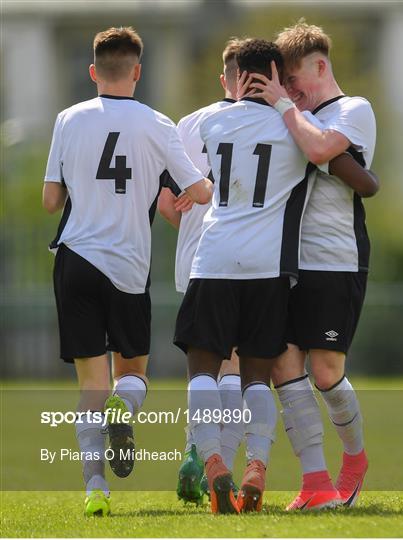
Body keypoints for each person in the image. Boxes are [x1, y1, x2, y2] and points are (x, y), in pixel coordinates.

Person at [173, 38, 368, 514]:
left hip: (214, 260)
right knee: (260, 375)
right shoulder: (296, 130)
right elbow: (349, 171)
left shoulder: (211, 123)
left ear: (237, 78)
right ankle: (257, 466)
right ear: (278, 77)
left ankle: (215, 459)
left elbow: (196, 181)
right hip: (268, 269)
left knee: (203, 369)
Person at [42, 26, 212, 517]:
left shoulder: (68, 119)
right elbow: (199, 192)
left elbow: (52, 200)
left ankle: (95, 488)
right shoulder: (158, 124)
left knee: (89, 385)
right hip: (129, 267)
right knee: (132, 373)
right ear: (138, 71)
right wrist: (189, 189)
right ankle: (125, 409)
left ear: (93, 71)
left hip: (75, 260)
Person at [244, 20, 378, 510]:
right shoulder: (291, 117)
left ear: (319, 67)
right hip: (282, 261)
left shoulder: (353, 109)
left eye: (294, 82)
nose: (290, 93)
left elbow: (321, 148)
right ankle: (316, 481)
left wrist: (283, 106)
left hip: (333, 259)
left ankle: (355, 460)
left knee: (325, 372)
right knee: (284, 364)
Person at [157, 38, 246, 505]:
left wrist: (188, 215)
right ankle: (221, 465)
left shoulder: (187, 124)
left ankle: (195, 451)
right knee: (232, 364)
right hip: (241, 259)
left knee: (200, 368)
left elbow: (165, 205)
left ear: (221, 78)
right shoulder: (266, 121)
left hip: (193, 260)